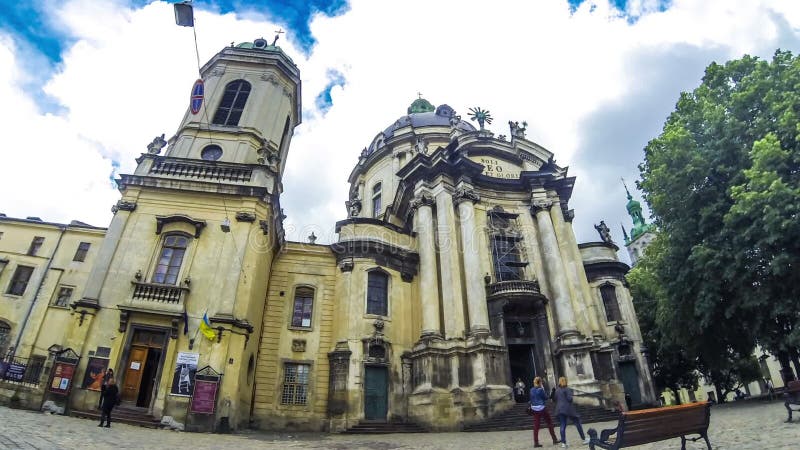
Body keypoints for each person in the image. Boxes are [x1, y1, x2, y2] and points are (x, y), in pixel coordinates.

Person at [554, 376, 588, 447]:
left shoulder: (557, 390)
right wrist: (571, 396)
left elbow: (555, 399)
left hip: (559, 409)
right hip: (568, 409)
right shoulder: (567, 389)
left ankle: (563, 443)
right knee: (577, 422)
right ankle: (584, 439)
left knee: (562, 425)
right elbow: (569, 399)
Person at [529, 377, 558, 448]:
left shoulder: (531, 390)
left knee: (536, 426)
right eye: (541, 382)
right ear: (540, 382)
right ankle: (554, 439)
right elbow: (545, 398)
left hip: (534, 409)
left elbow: (531, 399)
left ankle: (536, 442)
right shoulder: (540, 389)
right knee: (549, 422)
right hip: (541, 408)